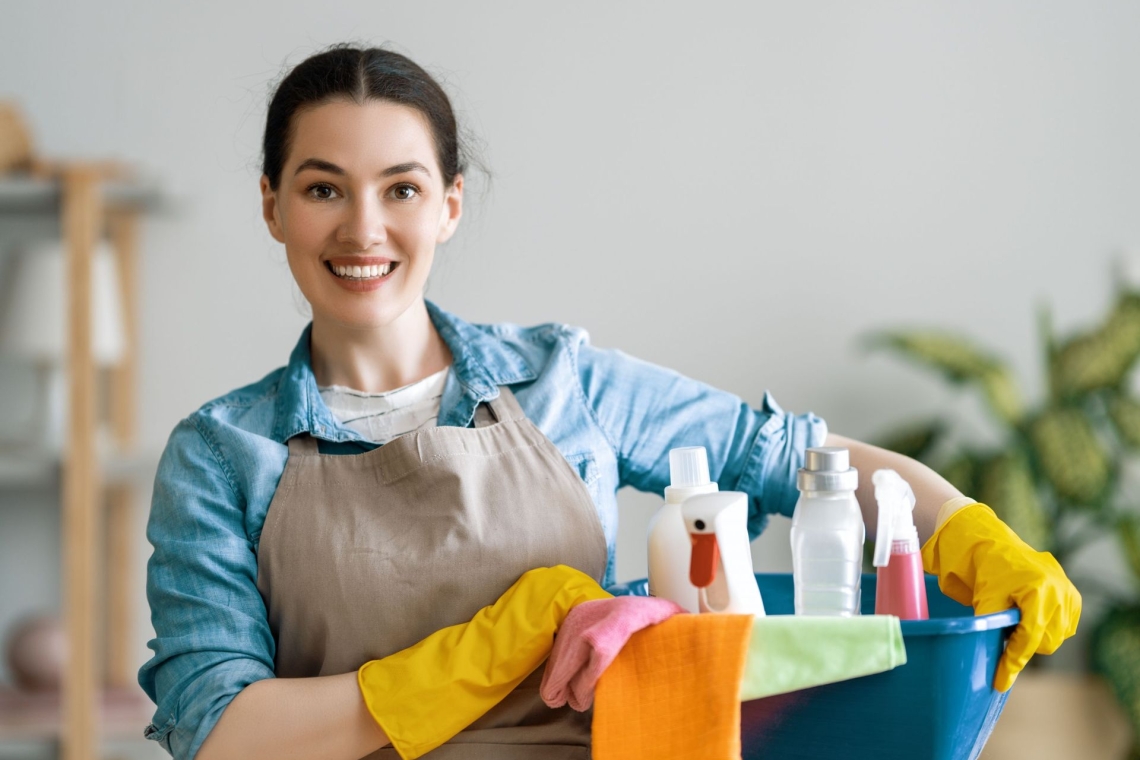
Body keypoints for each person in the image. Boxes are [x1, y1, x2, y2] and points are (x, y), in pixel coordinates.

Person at [138, 44, 1080, 760]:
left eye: (402, 188)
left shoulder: (561, 381)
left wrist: (963, 529)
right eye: (321, 188)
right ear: (272, 205)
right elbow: (222, 729)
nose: (364, 228)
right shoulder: (223, 453)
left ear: (451, 205)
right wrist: (474, 656)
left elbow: (791, 458)